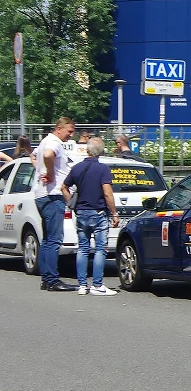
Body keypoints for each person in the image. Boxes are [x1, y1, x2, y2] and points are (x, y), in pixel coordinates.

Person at [63, 137, 120, 296]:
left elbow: (64, 187)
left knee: (83, 248)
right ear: (101, 152)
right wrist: (114, 213)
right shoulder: (103, 169)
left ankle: (82, 285)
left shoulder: (77, 168)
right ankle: (97, 285)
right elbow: (107, 194)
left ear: (87, 150)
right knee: (101, 249)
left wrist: (71, 204)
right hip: (98, 212)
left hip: (81, 212)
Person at [34, 117, 77, 291]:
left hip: (42, 194)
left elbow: (33, 155)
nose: (71, 135)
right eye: (69, 131)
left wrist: (42, 171)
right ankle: (52, 280)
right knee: (54, 240)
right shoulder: (54, 142)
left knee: (47, 240)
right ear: (59, 128)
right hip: (53, 195)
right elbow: (47, 155)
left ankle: (46, 278)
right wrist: (50, 173)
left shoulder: (45, 140)